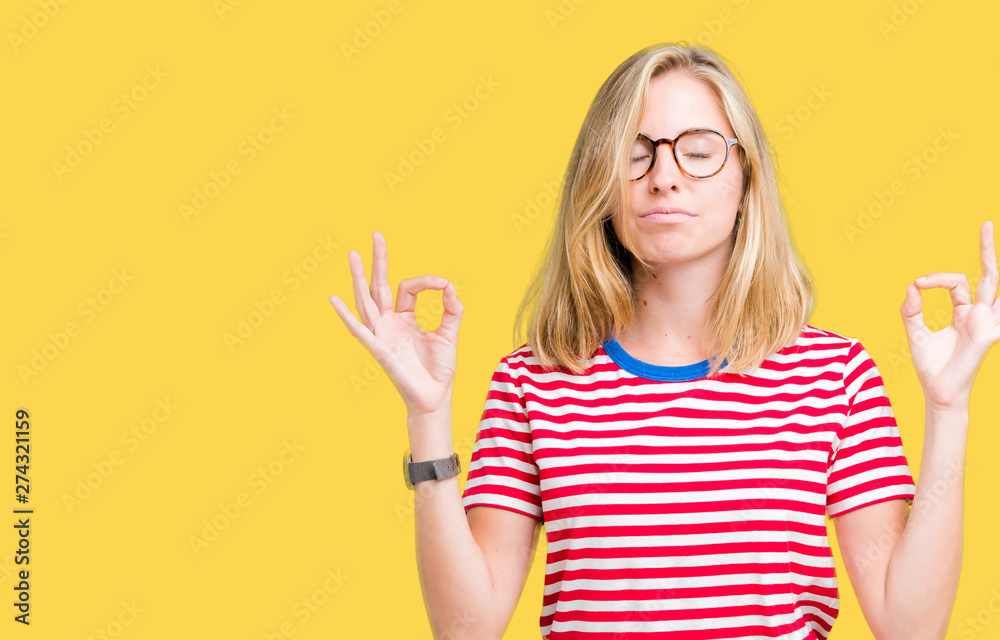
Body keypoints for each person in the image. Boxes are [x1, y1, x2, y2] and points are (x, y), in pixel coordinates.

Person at [330, 42, 999, 640]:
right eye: (635, 152)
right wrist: (426, 417)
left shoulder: (834, 375)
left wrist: (948, 409)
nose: (665, 175)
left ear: (747, 180)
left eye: (700, 150)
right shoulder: (533, 383)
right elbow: (465, 629)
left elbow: (911, 627)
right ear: (601, 185)